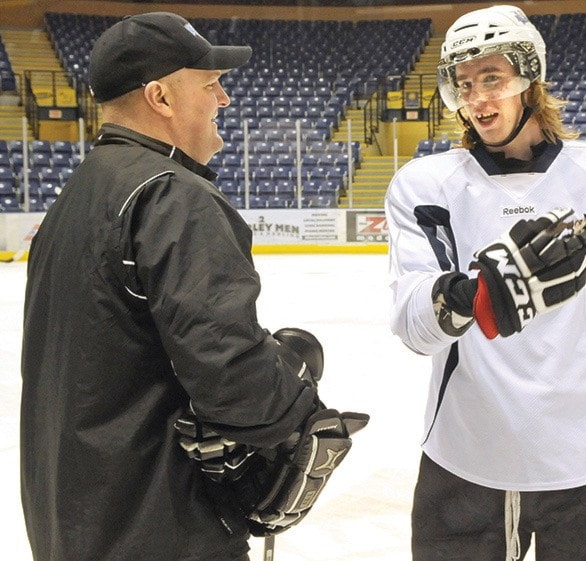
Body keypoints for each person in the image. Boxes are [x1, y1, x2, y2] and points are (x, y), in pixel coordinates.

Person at [21, 12, 366, 561]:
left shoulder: (75, 196)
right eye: (210, 84)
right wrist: (295, 405)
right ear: (160, 97)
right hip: (160, 526)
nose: (224, 99)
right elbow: (234, 380)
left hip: (73, 522)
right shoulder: (172, 196)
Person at [385, 6, 586, 561]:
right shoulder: (425, 186)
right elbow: (415, 323)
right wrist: (478, 295)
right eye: (463, 85)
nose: (478, 100)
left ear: (530, 79)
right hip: (467, 456)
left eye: (493, 78)